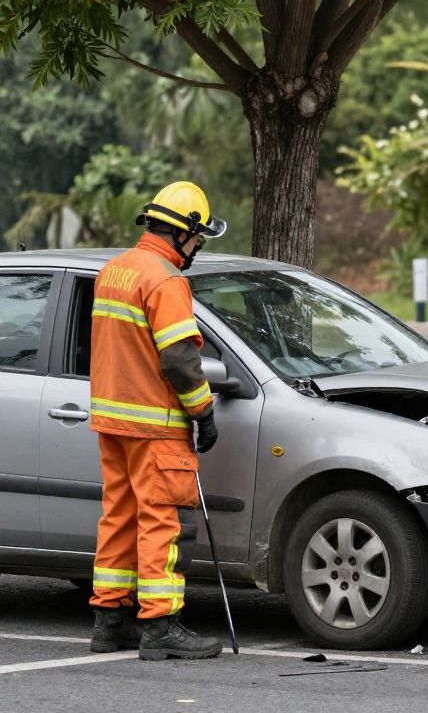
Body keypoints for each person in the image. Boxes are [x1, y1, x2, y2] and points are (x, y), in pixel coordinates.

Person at [88, 181, 228, 661]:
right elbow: (178, 359)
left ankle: (110, 621)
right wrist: (204, 411)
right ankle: (160, 625)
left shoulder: (114, 270)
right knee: (162, 523)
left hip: (112, 421)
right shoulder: (166, 280)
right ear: (183, 233)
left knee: (119, 518)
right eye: (198, 238)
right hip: (156, 426)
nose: (197, 249)